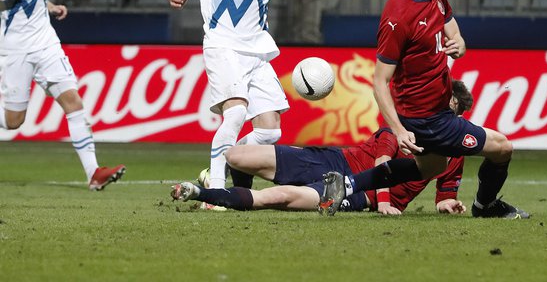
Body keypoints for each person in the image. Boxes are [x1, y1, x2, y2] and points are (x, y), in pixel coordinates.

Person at [165, 0, 377, 195]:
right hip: (223, 45)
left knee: (269, 129)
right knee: (236, 113)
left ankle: (220, 167)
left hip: (257, 51)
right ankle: (215, 192)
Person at [319, 0, 529, 219]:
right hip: (428, 119)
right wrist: (398, 129)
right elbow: (379, 82)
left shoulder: (437, 0)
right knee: (502, 148)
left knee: (432, 168)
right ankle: (486, 206)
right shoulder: (398, 17)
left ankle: (346, 185)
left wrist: (460, 44)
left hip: (431, 114)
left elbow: (453, 29)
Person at [170, 80, 474, 215]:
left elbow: (445, 196)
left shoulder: (454, 154)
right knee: (235, 155)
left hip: (356, 193)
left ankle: (214, 196)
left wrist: (447, 204)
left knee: (278, 197)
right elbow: (383, 160)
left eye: (453, 108)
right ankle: (220, 182)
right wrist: (386, 202)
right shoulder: (403, 126)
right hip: (334, 159)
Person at [0, 0, 125, 191]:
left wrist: (50, 6)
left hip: (46, 43)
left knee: (73, 102)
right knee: (14, 121)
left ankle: (94, 173)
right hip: (17, 49)